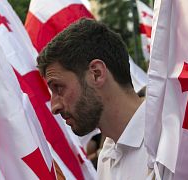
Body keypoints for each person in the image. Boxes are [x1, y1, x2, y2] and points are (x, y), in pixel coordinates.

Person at [37, 18, 150, 179]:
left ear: (96, 73)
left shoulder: (172, 141)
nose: (54, 107)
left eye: (59, 88)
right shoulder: (107, 156)